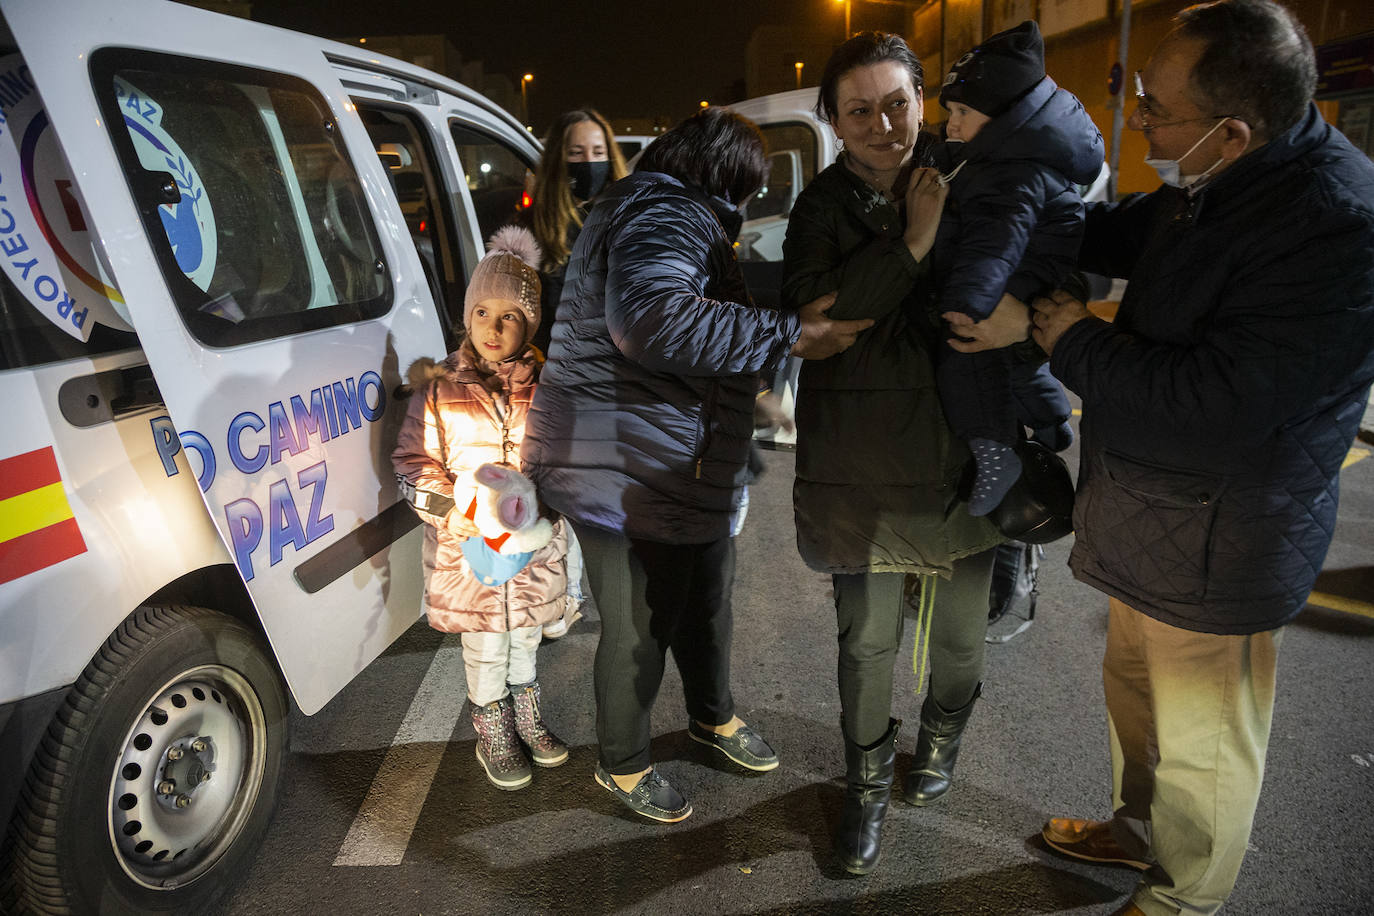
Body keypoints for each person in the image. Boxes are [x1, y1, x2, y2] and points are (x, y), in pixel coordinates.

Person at [946, 2, 1374, 913]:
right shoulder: (1221, 183)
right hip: (1156, 515)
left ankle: (1184, 897)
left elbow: (1219, 405)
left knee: (1203, 739)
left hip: (1226, 532)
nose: (1138, 124)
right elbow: (1113, 231)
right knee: (1137, 698)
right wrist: (1011, 189)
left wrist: (1061, 335)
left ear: (1234, 128)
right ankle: (1137, 832)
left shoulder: (1337, 229)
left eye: (1155, 110)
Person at [521, 106, 873, 823]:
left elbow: (691, 322)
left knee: (706, 599)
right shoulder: (665, 212)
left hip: (669, 461)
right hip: (620, 470)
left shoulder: (661, 209)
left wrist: (756, 389)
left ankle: (713, 718)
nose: (747, 205)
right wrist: (787, 333)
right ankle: (621, 766)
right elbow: (653, 319)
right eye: (749, 188)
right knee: (639, 625)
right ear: (727, 176)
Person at [780, 31, 1006, 876]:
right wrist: (912, 244)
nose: (884, 124)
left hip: (961, 460)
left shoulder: (972, 179)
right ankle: (865, 788)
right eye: (860, 110)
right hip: (858, 468)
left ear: (923, 100)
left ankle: (940, 744)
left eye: (898, 103)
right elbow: (817, 325)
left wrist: (861, 302)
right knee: (867, 645)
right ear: (835, 123)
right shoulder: (818, 209)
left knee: (959, 647)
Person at [393, 226, 571, 792]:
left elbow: (565, 460)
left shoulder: (549, 387)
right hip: (469, 546)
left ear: (530, 325)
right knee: (485, 642)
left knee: (525, 634)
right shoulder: (439, 385)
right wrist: (452, 511)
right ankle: (492, 725)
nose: (494, 328)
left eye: (511, 317)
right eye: (483, 313)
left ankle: (528, 714)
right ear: (467, 316)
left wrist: (551, 504)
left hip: (530, 543)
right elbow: (412, 461)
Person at [930, 19, 1103, 514]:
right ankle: (1051, 420)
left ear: (1008, 116)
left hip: (1011, 281)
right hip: (1029, 277)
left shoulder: (1012, 175)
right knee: (1016, 362)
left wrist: (969, 303)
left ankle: (993, 449)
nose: (952, 124)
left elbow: (993, 243)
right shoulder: (1012, 160)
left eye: (963, 111)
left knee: (964, 359)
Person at [519, 108, 629, 640]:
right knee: (559, 497)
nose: (589, 164)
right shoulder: (541, 226)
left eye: (596, 153)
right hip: (556, 385)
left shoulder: (630, 213)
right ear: (557, 161)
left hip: (613, 385)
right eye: (576, 154)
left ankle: (588, 594)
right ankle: (566, 594)